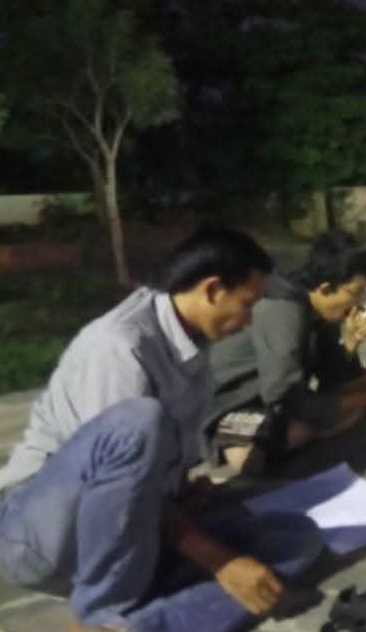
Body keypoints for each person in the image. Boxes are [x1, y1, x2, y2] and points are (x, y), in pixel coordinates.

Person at [0, 227, 324, 632]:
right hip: (43, 535)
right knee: (140, 421)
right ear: (212, 290)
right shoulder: (119, 345)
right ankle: (99, 613)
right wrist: (219, 561)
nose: (247, 322)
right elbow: (115, 478)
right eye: (246, 305)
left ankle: (139, 624)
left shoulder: (195, 343)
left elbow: (144, 481)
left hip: (131, 532)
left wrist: (181, 490)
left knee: (296, 537)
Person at [207, 230, 366, 474]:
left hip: (275, 399)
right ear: (325, 288)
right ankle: (309, 430)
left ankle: (319, 425)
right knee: (251, 457)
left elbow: (331, 379)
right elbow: (283, 397)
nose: (361, 302)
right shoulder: (282, 310)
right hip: (236, 403)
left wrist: (352, 341)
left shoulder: (320, 307)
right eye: (356, 292)